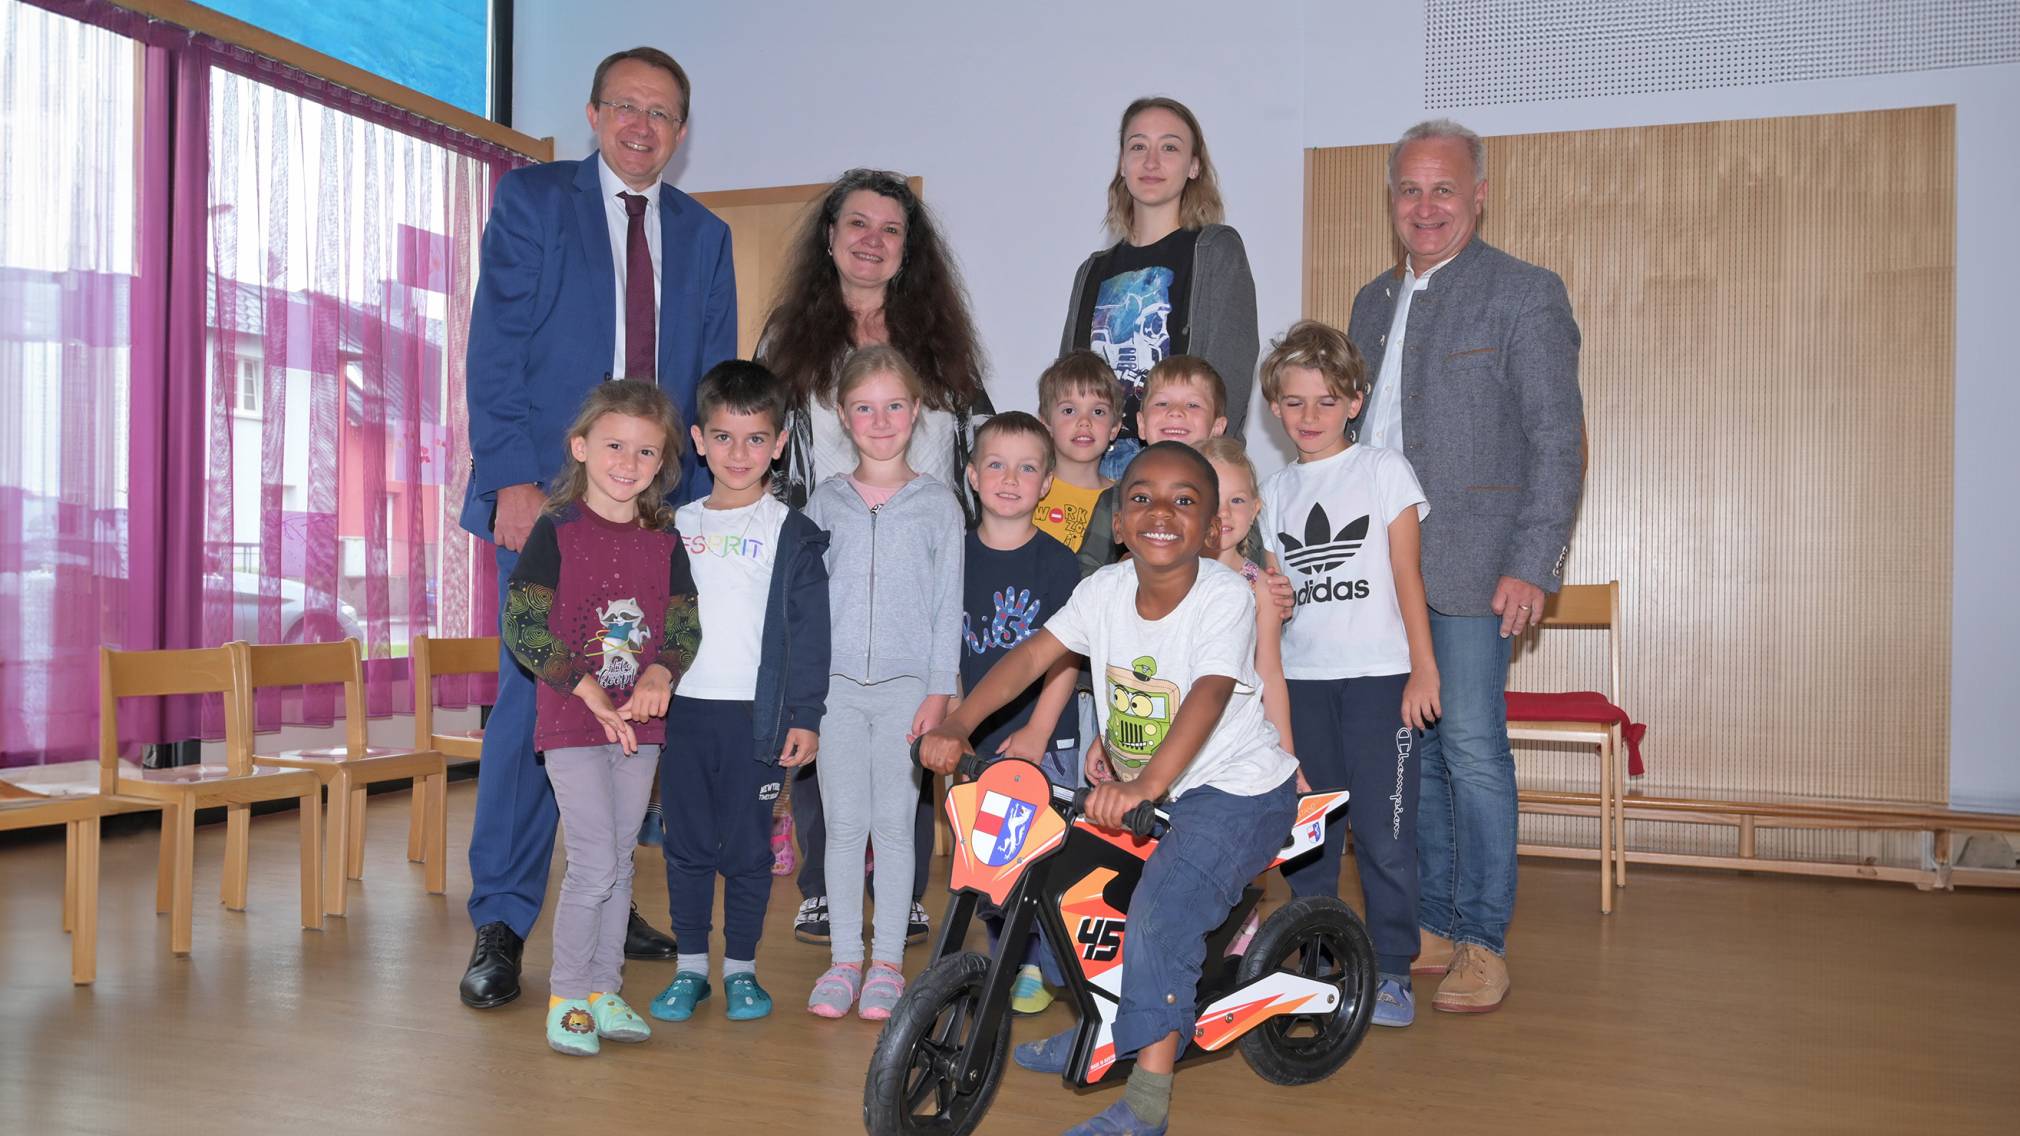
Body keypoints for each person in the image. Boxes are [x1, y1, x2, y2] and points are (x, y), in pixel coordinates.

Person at [458, 45, 734, 1008]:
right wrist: (510, 482)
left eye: (662, 113)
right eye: (626, 106)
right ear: (593, 113)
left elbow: (707, 383)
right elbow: (494, 345)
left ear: (682, 132)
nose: (642, 126)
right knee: (536, 708)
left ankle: (608, 892)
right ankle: (501, 916)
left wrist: (692, 506)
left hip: (650, 513)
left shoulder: (705, 235)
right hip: (549, 493)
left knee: (635, 702)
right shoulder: (536, 203)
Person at [920, 441, 1300, 1136]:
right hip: (1144, 790)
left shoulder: (1224, 597)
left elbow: (1209, 696)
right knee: (1071, 890)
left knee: (1159, 915)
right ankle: (1108, 1026)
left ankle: (1146, 1106)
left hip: (1236, 792)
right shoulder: (1101, 592)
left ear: (1214, 527)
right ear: (1118, 523)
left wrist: (1147, 784)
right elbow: (1035, 654)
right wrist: (960, 720)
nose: (1161, 512)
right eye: (1141, 498)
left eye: (1186, 501)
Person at [1345, 118, 1583, 1013]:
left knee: (1474, 752)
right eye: (1410, 189)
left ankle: (1485, 940)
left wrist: (1534, 562)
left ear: (1479, 194)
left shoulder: (1525, 294)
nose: (1426, 205)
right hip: (1377, 577)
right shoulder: (1369, 302)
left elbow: (1558, 442)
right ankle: (1435, 924)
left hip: (1479, 570)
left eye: (1444, 188)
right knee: (1419, 754)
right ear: (1392, 199)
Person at [759, 168, 989, 947]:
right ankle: (826, 886)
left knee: (907, 736)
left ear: (908, 249)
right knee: (826, 722)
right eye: (857, 224)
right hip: (821, 557)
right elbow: (764, 444)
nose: (871, 241)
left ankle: (903, 892)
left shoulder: (940, 342)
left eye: (890, 229)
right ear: (830, 238)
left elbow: (977, 447)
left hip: (912, 558)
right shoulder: (788, 338)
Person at [498, 381, 702, 1056]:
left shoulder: (666, 539)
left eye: (646, 451)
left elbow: (683, 626)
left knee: (619, 860)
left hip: (640, 728)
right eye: (615, 445)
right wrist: (585, 689)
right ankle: (567, 995)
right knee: (591, 863)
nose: (629, 460)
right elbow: (523, 624)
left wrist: (659, 673)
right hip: (573, 723)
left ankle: (604, 989)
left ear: (662, 462)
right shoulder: (556, 532)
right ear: (582, 447)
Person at [1255, 321, 1437, 1028]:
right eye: (1295, 402)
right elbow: (1277, 599)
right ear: (1275, 405)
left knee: (1386, 835)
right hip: (1302, 685)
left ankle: (1392, 969)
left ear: (1355, 402)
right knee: (1310, 831)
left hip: (1381, 680)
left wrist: (1423, 668)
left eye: (1326, 402)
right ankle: (1316, 957)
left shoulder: (1384, 470)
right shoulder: (1270, 494)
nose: (1309, 416)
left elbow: (1406, 575)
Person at [649, 361, 830, 1025]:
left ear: (780, 443)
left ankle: (743, 971)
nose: (738, 453)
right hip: (685, 716)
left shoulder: (795, 533)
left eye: (756, 439)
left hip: (757, 719)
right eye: (723, 437)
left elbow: (812, 638)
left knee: (750, 849)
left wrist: (804, 716)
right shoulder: (672, 526)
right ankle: (691, 968)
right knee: (687, 844)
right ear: (698, 439)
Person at [802, 346, 964, 1021]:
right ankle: (844, 960)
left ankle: (888, 964)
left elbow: (945, 604)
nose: (880, 419)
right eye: (864, 407)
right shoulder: (824, 501)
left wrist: (940, 691)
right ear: (843, 415)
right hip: (836, 689)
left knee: (895, 826)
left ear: (916, 410)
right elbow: (805, 604)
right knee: (843, 825)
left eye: (894, 405)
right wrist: (805, 692)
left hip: (907, 690)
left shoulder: (939, 504)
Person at [1060, 97, 1259, 480]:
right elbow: (1066, 389)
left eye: (1169, 147)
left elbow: (1227, 382)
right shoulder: (1091, 271)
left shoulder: (1216, 251)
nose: (1152, 162)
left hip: (1181, 473)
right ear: (1122, 163)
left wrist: (1211, 478)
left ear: (1194, 166)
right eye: (1138, 146)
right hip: (1094, 481)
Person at [960, 411, 1082, 1015]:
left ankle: (1044, 961)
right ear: (973, 476)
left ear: (1046, 483)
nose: (1010, 479)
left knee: (1043, 859)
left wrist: (1037, 729)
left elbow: (1065, 660)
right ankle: (1007, 956)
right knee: (991, 863)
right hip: (980, 745)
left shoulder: (1060, 565)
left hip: (1046, 743)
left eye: (1027, 468)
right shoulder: (952, 557)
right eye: (997, 465)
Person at [1076, 354, 1231, 577]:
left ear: (1217, 428)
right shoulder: (1118, 497)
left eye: (1193, 404)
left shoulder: (1229, 496)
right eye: (1162, 403)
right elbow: (1086, 570)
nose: (1176, 411)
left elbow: (1250, 564)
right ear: (1141, 424)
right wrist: (1123, 573)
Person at [1030, 350, 1123, 560]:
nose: (1084, 422)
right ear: (1045, 423)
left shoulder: (1123, 501)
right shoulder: (1028, 487)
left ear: (1115, 428)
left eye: (1098, 412)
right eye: (1069, 410)